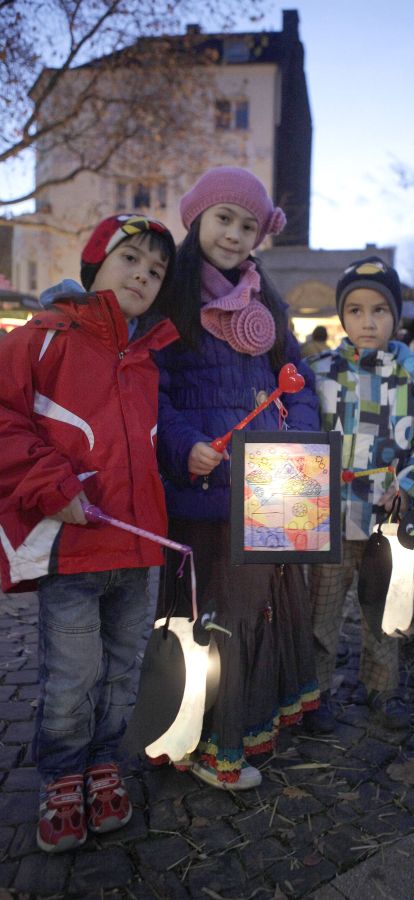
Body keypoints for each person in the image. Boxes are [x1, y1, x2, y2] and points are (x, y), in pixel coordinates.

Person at [0, 214, 178, 853]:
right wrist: (53, 484)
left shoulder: (149, 358)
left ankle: (104, 762)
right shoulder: (43, 338)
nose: (143, 276)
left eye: (156, 270)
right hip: (74, 552)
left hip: (139, 550)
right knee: (71, 676)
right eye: (131, 259)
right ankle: (60, 775)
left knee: (123, 671)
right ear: (95, 263)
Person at [154, 166, 321, 790]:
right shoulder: (171, 299)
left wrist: (303, 435)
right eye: (224, 218)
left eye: (248, 225)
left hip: (271, 486)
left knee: (260, 610)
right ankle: (206, 744)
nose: (234, 234)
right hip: (204, 492)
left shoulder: (267, 301)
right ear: (197, 218)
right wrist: (184, 445)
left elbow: (297, 378)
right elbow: (154, 393)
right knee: (211, 617)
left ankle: (252, 719)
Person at [303, 256, 414, 733]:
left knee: (385, 609)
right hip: (330, 519)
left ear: (396, 315)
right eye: (356, 310)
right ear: (342, 316)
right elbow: (299, 433)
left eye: (380, 311)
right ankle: (315, 692)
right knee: (321, 611)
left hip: (388, 522)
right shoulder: (319, 373)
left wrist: (409, 485)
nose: (368, 322)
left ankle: (382, 687)